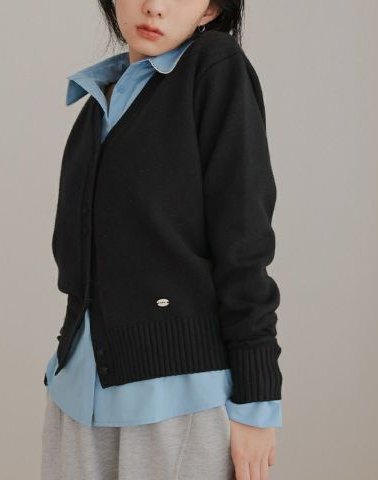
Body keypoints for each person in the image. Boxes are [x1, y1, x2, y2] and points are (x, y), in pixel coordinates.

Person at [41, 1, 283, 479]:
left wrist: (257, 400)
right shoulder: (98, 101)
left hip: (176, 401)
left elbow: (244, 241)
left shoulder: (214, 68)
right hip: (77, 396)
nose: (154, 6)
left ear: (210, 9)